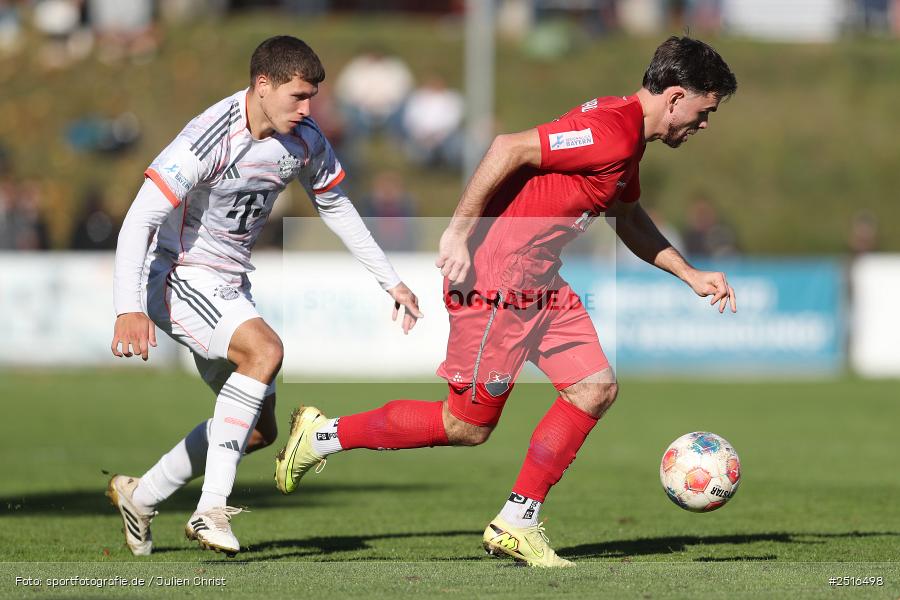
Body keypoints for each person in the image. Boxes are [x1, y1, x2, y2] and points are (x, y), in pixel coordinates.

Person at [274, 35, 738, 568]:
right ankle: (324, 434)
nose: (703, 125)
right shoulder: (610, 131)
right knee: (466, 425)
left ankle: (517, 522)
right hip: (497, 281)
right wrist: (455, 232)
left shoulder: (627, 137)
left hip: (541, 283)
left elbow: (627, 218)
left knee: (594, 389)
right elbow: (507, 147)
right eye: (704, 112)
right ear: (677, 96)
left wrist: (689, 273)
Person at [106, 35, 422, 558]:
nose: (307, 109)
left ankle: (141, 495)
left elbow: (336, 205)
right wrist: (128, 307)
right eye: (297, 97)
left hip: (231, 285)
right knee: (265, 351)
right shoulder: (209, 138)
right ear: (262, 85)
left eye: (312, 98)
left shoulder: (304, 138)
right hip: (179, 276)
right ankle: (210, 510)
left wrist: (390, 279)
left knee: (257, 433)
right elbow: (141, 217)